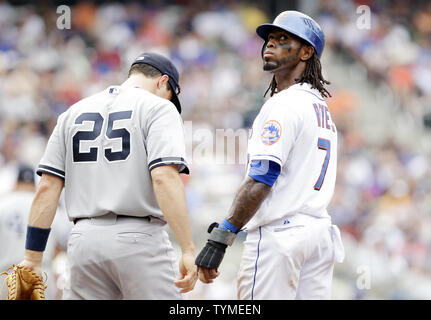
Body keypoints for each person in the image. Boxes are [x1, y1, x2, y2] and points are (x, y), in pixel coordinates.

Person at [17, 52, 197, 299]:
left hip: (83, 241)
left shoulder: (73, 112)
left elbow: (47, 186)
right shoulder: (160, 108)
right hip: (138, 238)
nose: (169, 100)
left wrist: (32, 257)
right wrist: (187, 248)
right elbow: (164, 177)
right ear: (163, 81)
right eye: (170, 95)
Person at [195, 11, 345, 300]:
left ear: (306, 52)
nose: (270, 44)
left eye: (283, 38)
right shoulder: (321, 109)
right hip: (318, 236)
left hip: (281, 236)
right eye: (270, 39)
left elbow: (261, 179)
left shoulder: (284, 104)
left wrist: (221, 237)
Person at [0, 165, 70, 299]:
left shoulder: (2, 204)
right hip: (40, 274)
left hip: (6, 275)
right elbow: (65, 242)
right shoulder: (45, 204)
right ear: (33, 185)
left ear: (16, 183)